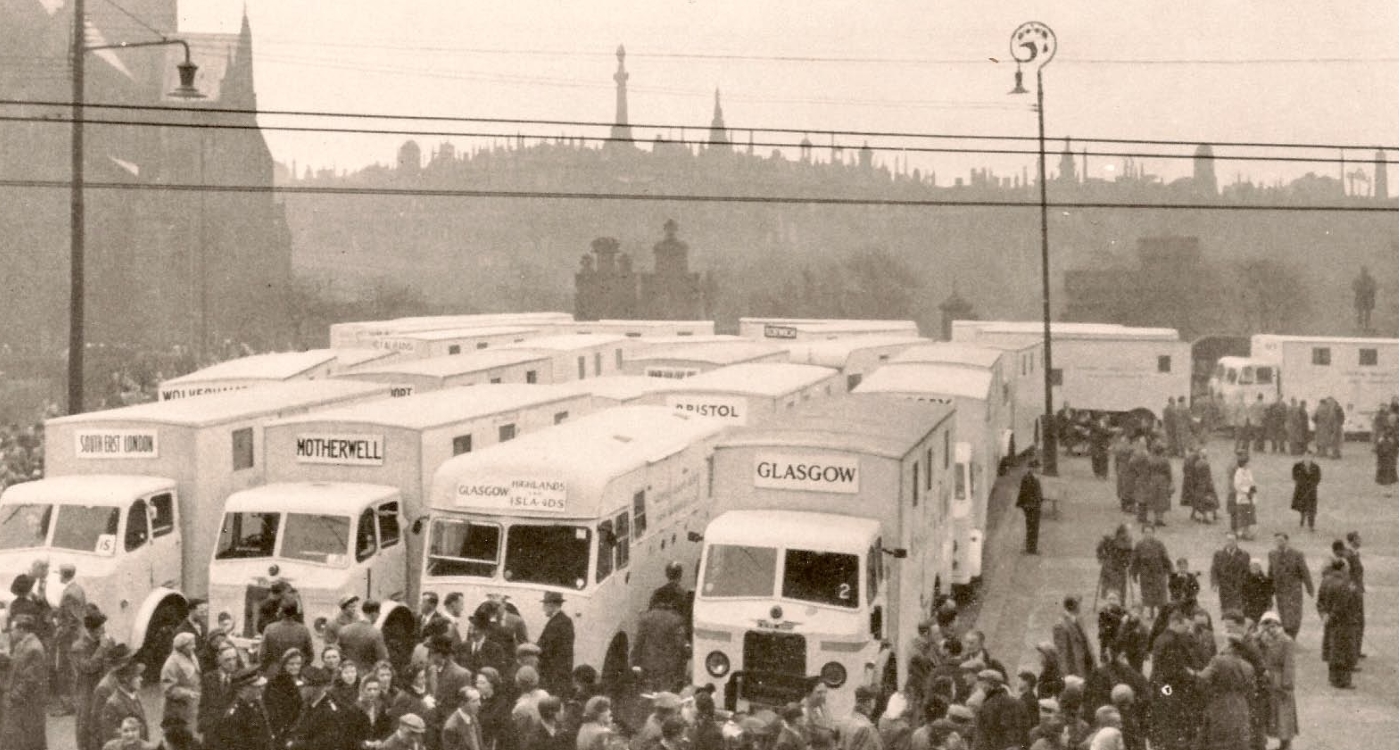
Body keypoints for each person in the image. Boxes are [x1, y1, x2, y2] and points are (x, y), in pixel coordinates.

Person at [1196, 628, 1255, 750]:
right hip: (1241, 707)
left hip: (1220, 705)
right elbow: (1251, 690)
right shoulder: (1248, 666)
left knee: (1217, 743)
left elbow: (1201, 680)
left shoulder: (1218, 661)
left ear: (1229, 645)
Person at [1148, 610, 1199, 750]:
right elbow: (1174, 669)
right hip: (1168, 686)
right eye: (1185, 627)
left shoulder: (1161, 638)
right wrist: (1193, 675)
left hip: (1159, 684)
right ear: (1176, 623)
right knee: (1173, 717)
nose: (1187, 630)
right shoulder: (1172, 641)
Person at [2, 614, 50, 750]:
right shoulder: (23, 645)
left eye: (13, 629)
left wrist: (12, 697)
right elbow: (19, 665)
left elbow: (30, 680)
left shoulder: (34, 648)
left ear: (22, 629)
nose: (11, 632)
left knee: (30, 740)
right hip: (23, 704)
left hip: (28, 705)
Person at [73, 608, 116, 750]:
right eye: (101, 629)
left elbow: (115, 662)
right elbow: (89, 667)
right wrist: (102, 649)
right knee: (85, 726)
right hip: (87, 692)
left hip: (105, 689)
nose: (104, 632)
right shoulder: (78, 647)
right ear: (92, 630)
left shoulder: (107, 642)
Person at [1317, 558, 1362, 689]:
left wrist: (1324, 615)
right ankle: (1343, 681)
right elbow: (1341, 606)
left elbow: (1319, 601)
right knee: (1345, 652)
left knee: (1332, 650)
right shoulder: (1345, 583)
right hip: (1344, 623)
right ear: (1343, 568)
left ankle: (1333, 679)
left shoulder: (1325, 580)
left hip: (1329, 622)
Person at [632, 590, 688, 693]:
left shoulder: (646, 618)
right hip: (668, 666)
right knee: (664, 694)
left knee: (649, 694)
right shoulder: (676, 620)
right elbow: (680, 644)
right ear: (672, 603)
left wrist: (635, 662)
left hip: (648, 664)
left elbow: (638, 643)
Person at [206, 667, 275, 750]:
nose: (262, 689)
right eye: (257, 687)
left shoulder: (256, 703)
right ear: (244, 689)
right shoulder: (235, 714)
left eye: (262, 686)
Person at [1257, 612, 1297, 750]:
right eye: (1267, 625)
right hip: (1268, 680)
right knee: (1272, 713)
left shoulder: (1286, 641)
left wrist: (1287, 685)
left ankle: (1285, 744)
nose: (1271, 629)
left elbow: (1289, 665)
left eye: (1274, 625)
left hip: (1280, 681)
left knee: (1283, 714)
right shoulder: (1263, 640)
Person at [54, 562, 88, 715]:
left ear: (63, 575)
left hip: (70, 639)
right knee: (74, 671)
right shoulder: (78, 589)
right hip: (76, 637)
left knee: (68, 671)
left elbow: (72, 620)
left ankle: (70, 706)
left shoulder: (69, 593)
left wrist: (60, 634)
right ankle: (74, 704)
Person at [1267, 533, 1314, 639]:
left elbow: (1304, 572)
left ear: (1287, 541)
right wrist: (1269, 590)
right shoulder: (1272, 554)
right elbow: (1270, 572)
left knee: (1294, 615)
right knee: (1283, 613)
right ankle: (1287, 637)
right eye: (1277, 541)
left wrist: (1309, 588)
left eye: (1281, 540)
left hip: (1293, 590)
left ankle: (1292, 635)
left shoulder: (1297, 554)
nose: (1279, 543)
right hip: (1280, 590)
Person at [973, 669, 1027, 750]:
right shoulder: (1019, 703)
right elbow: (1025, 732)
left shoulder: (986, 707)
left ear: (987, 685)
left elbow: (981, 739)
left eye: (981, 683)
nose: (980, 687)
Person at [100, 659, 150, 748]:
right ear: (126, 679)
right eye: (137, 676)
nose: (141, 679)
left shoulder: (134, 696)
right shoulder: (113, 704)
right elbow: (110, 737)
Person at [160, 632, 202, 733]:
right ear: (182, 647)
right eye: (191, 644)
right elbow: (168, 689)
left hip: (192, 705)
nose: (194, 647)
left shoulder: (191, 656)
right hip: (179, 709)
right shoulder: (171, 664)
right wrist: (187, 693)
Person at [198, 644, 242, 737]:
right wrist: (202, 723)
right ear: (219, 661)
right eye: (227, 660)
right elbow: (204, 703)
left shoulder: (241, 678)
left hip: (234, 729)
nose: (232, 663)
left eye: (234, 658)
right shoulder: (209, 678)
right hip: (213, 729)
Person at [537, 592, 575, 695]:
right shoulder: (563, 620)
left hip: (554, 673)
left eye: (544, 605)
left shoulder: (557, 623)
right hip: (558, 671)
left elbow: (546, 647)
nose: (543, 608)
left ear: (551, 605)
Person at [1129, 524, 1171, 620]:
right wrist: (1133, 572)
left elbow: (1165, 558)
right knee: (1147, 594)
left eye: (1150, 532)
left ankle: (1161, 614)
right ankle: (1150, 613)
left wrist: (1169, 571)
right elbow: (1135, 560)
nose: (1148, 534)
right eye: (1146, 532)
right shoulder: (1139, 545)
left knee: (1160, 594)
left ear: (1153, 533)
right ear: (1143, 533)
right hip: (1145, 574)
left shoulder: (1159, 544)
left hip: (1158, 573)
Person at [340, 600, 392, 676]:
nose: (378, 617)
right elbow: (383, 658)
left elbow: (338, 652)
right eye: (378, 614)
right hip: (367, 675)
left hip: (347, 673)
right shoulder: (376, 633)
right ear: (374, 614)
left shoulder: (344, 629)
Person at [261, 599, 315, 673]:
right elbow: (310, 655)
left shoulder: (270, 628)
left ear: (281, 611)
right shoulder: (304, 630)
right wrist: (298, 666)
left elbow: (262, 655)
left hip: (275, 671)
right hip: (296, 671)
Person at [1051, 595, 1094, 679]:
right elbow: (1061, 653)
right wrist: (1065, 676)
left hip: (1086, 664)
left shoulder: (1078, 619)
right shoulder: (1060, 626)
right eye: (1079, 604)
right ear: (1073, 606)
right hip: (1075, 669)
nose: (1081, 607)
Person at [1209, 532, 1251, 616]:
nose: (1230, 542)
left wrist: (1244, 584)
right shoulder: (1218, 554)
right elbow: (1214, 570)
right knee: (1226, 611)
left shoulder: (1244, 554)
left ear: (1237, 541)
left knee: (1238, 611)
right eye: (1228, 540)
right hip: (1224, 587)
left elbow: (1246, 572)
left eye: (1232, 540)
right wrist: (1214, 583)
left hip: (1238, 588)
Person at [349, 676, 395, 748]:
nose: (372, 692)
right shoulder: (354, 709)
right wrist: (363, 743)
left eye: (375, 689)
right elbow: (349, 735)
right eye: (369, 689)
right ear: (362, 690)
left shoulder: (381, 706)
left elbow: (388, 728)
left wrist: (380, 740)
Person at [1344, 531, 1367, 661]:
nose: (1360, 541)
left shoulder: (1354, 554)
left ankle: (1356, 650)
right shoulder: (1349, 555)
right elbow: (1347, 574)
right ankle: (1354, 651)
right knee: (1356, 621)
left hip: (1357, 592)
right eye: (1358, 538)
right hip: (1353, 594)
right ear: (1353, 540)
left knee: (1359, 621)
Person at [1096, 525, 1134, 603]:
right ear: (1120, 532)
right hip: (1110, 566)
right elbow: (1100, 548)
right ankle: (1110, 603)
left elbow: (1130, 553)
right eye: (1125, 532)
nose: (1126, 535)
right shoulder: (1110, 539)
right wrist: (1102, 558)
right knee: (1111, 586)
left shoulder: (1127, 541)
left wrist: (1128, 561)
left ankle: (1121, 604)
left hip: (1121, 566)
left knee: (1122, 587)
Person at [1139, 443, 1173, 527]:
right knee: (1162, 499)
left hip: (1153, 480)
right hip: (1162, 480)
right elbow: (1168, 472)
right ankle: (1160, 518)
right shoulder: (1165, 460)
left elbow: (1147, 472)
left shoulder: (1150, 460)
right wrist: (1170, 481)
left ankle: (1156, 518)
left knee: (1154, 499)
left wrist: (1147, 481)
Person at [1180, 447, 1218, 523]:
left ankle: (1195, 514)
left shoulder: (1194, 461)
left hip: (1196, 482)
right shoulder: (1204, 463)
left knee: (1197, 499)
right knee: (1209, 498)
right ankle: (1209, 515)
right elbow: (1208, 475)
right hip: (1203, 483)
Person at [838, 685, 882, 750]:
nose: (875, 705)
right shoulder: (868, 727)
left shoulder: (844, 720)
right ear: (869, 702)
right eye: (874, 700)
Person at [443, 686, 486, 750]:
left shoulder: (473, 717)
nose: (479, 704)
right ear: (463, 703)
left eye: (479, 699)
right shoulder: (451, 727)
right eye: (474, 701)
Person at [1017, 458, 1045, 555]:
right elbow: (1026, 494)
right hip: (1031, 507)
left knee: (1034, 528)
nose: (1040, 469)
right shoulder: (1028, 478)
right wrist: (1029, 506)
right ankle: (1031, 549)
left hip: (1034, 506)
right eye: (1038, 467)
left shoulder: (1033, 477)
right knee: (1032, 528)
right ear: (1033, 468)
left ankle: (1032, 548)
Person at [1228, 452, 1258, 540]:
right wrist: (1247, 490)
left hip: (1249, 498)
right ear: (1243, 463)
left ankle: (1247, 531)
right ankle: (1241, 532)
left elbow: (1252, 481)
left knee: (1249, 515)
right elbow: (1237, 486)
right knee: (1243, 516)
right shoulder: (1239, 473)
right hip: (1242, 498)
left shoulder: (1248, 471)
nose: (1249, 464)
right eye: (1247, 463)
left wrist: (1253, 489)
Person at [1290, 450, 1321, 531]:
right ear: (1303, 457)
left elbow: (1318, 478)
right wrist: (1301, 483)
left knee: (1312, 508)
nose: (1307, 458)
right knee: (1302, 507)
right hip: (1301, 489)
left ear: (1312, 458)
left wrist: (1312, 485)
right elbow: (1294, 476)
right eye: (1306, 456)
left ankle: (1311, 525)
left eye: (1309, 456)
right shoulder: (1297, 466)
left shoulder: (1316, 467)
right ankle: (1302, 518)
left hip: (1312, 491)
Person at [1240, 560, 1274, 625]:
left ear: (1260, 568)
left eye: (1257, 566)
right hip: (1249, 608)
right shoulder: (1245, 580)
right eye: (1253, 566)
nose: (1255, 568)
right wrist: (1244, 606)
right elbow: (1242, 595)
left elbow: (1268, 595)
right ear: (1249, 568)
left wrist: (1269, 606)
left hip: (1262, 608)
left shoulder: (1265, 580)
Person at [1112, 433, 1136, 513]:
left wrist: (1116, 468)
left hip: (1122, 468)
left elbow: (1116, 460)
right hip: (1128, 468)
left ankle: (1124, 504)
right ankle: (1128, 504)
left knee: (1122, 485)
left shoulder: (1119, 449)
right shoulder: (1131, 449)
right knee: (1128, 486)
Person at [1376, 412, 1398, 486]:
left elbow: (1396, 440)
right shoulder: (1385, 427)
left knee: (1390, 468)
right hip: (1384, 451)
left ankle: (1388, 485)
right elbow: (1379, 438)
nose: (1392, 420)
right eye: (1390, 418)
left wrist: (1394, 440)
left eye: (1393, 419)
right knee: (1384, 468)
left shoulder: (1396, 428)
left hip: (1392, 452)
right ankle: (1386, 484)